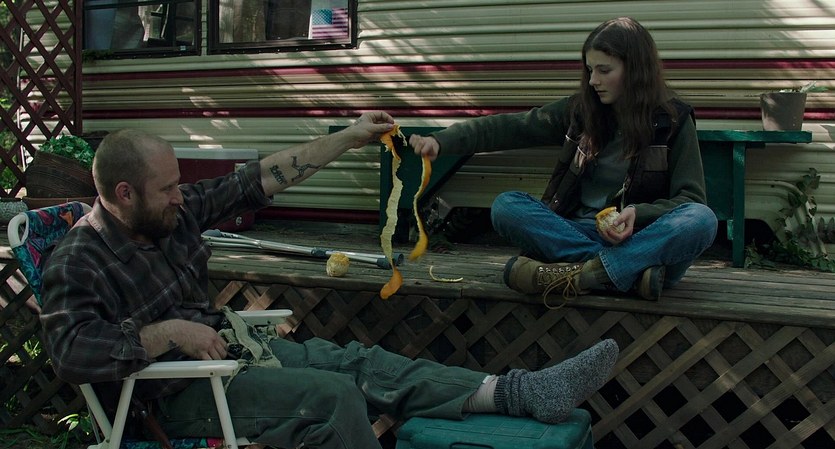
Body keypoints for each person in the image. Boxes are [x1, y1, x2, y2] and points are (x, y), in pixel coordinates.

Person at [38, 113, 619, 449]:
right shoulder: (79, 261)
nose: (179, 196)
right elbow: (69, 353)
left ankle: (519, 393)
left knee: (362, 364)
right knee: (332, 399)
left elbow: (257, 180)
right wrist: (168, 332)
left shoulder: (172, 213)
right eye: (167, 188)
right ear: (123, 194)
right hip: (171, 397)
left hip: (234, 354)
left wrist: (348, 136)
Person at [409, 17, 718, 306]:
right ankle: (623, 276)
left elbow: (690, 200)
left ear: (636, 70)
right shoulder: (581, 111)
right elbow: (510, 127)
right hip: (578, 235)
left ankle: (583, 274)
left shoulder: (673, 121)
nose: (593, 80)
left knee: (702, 219)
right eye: (590, 70)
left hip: (645, 243)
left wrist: (638, 213)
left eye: (604, 70)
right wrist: (442, 140)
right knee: (507, 206)